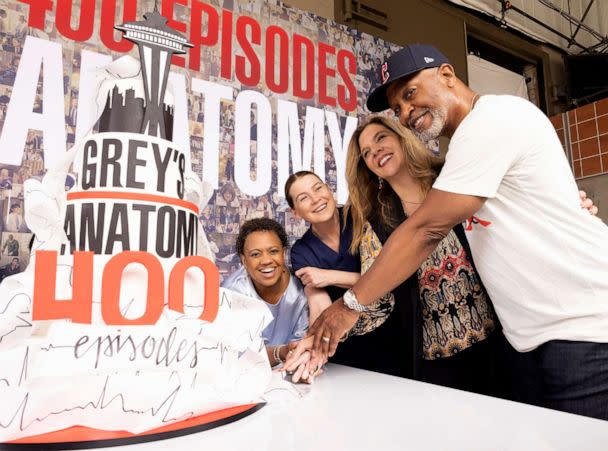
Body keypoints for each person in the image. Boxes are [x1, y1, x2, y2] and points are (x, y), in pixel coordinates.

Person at [294, 44, 608, 420]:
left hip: (579, 331)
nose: (407, 112)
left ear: (446, 75)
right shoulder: (454, 158)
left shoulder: (489, 123)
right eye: (397, 108)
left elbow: (426, 229)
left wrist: (345, 307)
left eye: (410, 94)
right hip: (520, 342)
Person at [286, 170, 415, 377]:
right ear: (295, 212)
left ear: (329, 189)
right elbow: (319, 303)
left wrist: (330, 276)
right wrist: (315, 349)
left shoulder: (363, 217)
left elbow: (391, 273)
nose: (315, 199)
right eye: (303, 198)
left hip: (395, 331)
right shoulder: (301, 251)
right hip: (348, 344)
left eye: (318, 188)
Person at [221, 218, 315, 383]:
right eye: (255, 254)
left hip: (288, 378)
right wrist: (282, 352)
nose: (266, 260)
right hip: (242, 380)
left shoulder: (301, 289)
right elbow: (237, 355)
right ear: (243, 260)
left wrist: (300, 359)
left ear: (283, 253)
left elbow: (300, 345)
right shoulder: (233, 292)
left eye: (273, 251)